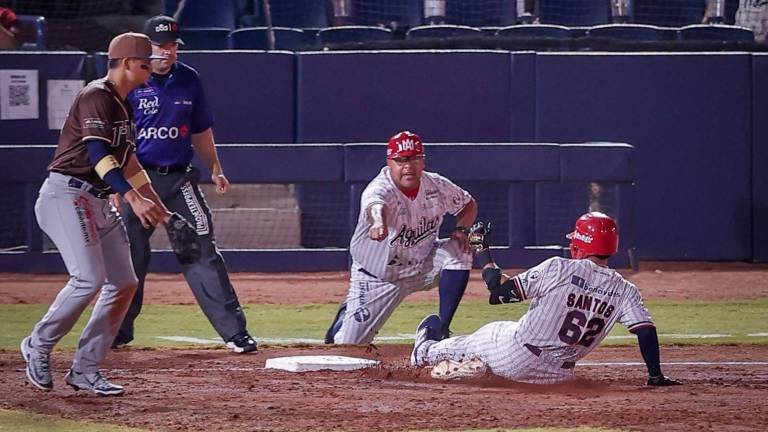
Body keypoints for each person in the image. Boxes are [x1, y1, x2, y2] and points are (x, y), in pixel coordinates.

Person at [20, 33, 172, 396]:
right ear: (124, 62)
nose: (150, 69)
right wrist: (133, 199)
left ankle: (85, 369)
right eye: (144, 62)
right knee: (88, 278)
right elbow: (98, 155)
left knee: (123, 283)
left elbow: (129, 161)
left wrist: (154, 199)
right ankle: (38, 345)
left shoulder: (125, 103)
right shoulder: (96, 95)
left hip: (99, 201)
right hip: (67, 194)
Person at [113, 15, 257, 353]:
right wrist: (116, 188)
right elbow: (113, 137)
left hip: (179, 179)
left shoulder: (189, 79)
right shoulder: (128, 82)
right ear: (144, 48)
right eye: (161, 46)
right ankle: (117, 331)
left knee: (202, 248)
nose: (168, 52)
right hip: (137, 181)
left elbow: (201, 130)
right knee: (129, 256)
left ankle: (235, 334)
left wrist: (216, 167)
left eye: (173, 46)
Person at [411, 212, 683, 386]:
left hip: (514, 355)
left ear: (581, 244)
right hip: (558, 377)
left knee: (483, 336)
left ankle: (424, 352)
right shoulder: (625, 289)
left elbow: (500, 293)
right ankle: (475, 369)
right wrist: (655, 376)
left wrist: (482, 249)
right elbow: (646, 332)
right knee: (502, 335)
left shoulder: (559, 267)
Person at [324, 131, 478, 344]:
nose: (408, 165)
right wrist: (378, 222)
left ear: (423, 160)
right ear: (390, 162)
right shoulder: (380, 188)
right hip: (377, 277)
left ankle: (442, 328)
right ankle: (344, 320)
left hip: (422, 265)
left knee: (460, 250)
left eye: (415, 158)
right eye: (401, 160)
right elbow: (376, 206)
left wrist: (462, 230)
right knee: (348, 345)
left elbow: (468, 205)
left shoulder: (436, 185)